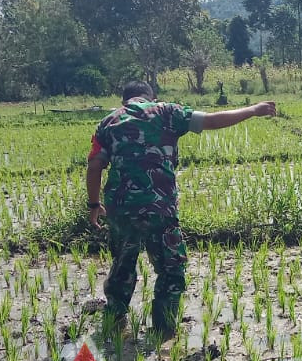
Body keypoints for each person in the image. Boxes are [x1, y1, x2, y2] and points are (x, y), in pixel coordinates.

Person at [86, 81, 276, 341]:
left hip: (120, 208)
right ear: (151, 96)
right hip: (159, 206)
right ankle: (163, 329)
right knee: (170, 267)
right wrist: (254, 109)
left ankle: (114, 321)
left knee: (122, 265)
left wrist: (94, 205)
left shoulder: (108, 122)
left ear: (124, 100)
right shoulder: (166, 112)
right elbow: (211, 120)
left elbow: (95, 165)